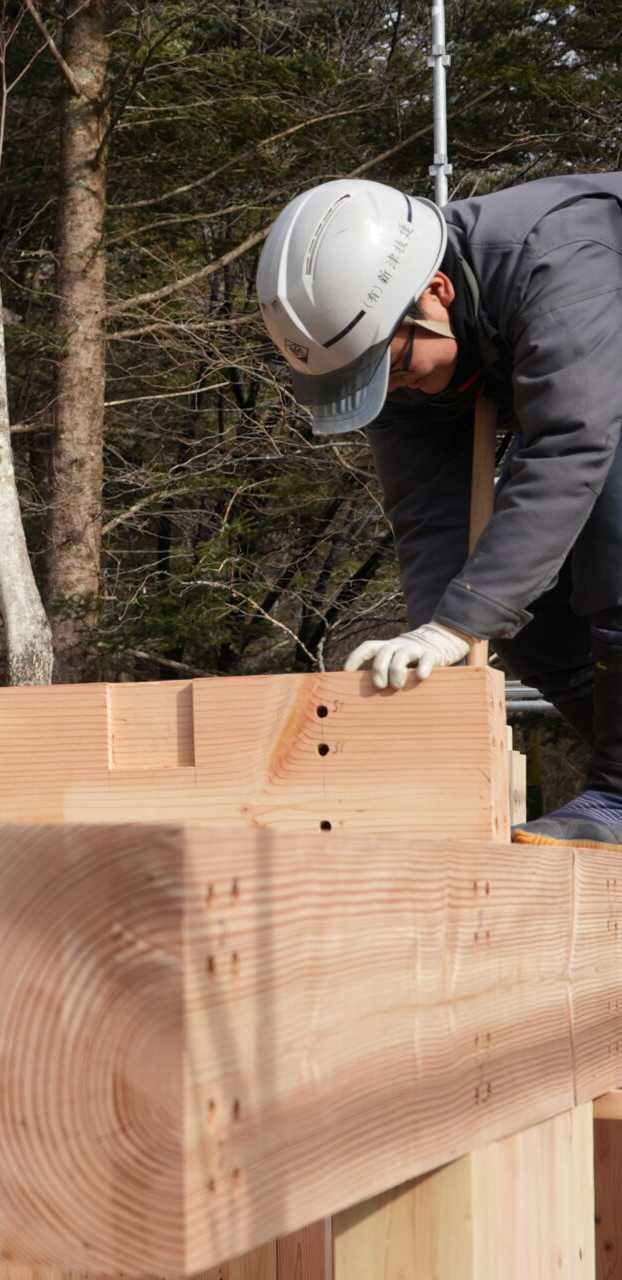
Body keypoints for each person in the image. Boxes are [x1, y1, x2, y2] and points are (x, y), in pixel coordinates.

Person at [257, 173, 622, 849]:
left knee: (610, 505)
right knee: (500, 589)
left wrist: (461, 622)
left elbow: (574, 445)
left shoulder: (558, 257)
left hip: (602, 414)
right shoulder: (391, 354)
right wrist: (439, 646)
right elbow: (432, 516)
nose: (395, 388)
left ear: (437, 293)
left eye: (394, 367)